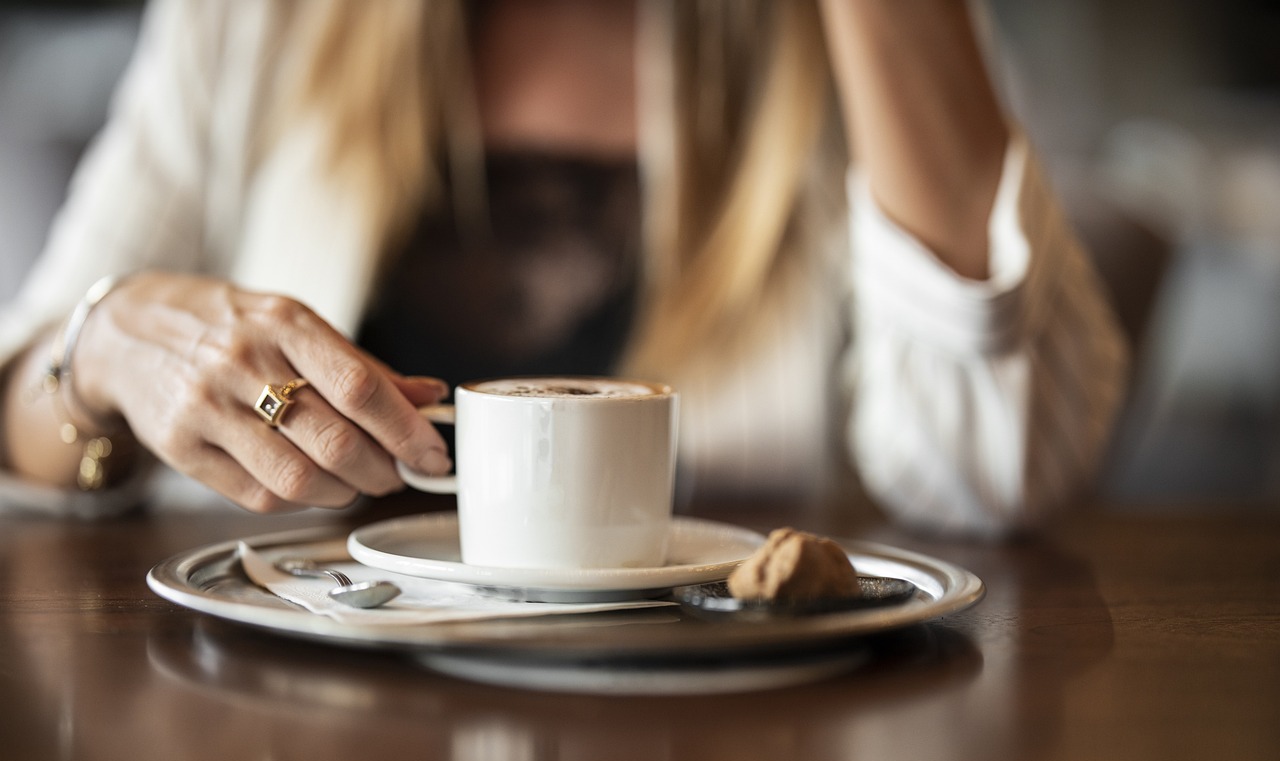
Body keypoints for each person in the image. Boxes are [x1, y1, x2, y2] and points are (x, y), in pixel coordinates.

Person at [0, 0, 1127, 535]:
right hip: (292, 726)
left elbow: (1000, 464)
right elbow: (21, 407)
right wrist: (102, 348)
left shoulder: (840, 43)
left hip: (739, 747)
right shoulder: (259, 25)